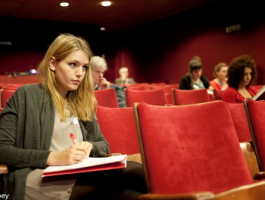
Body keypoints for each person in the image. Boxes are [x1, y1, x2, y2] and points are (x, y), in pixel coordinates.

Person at [0, 34, 146, 200]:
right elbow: (3, 149)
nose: (80, 73)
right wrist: (53, 157)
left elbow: (102, 145)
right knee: (134, 179)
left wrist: (88, 147)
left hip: (80, 173)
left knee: (135, 185)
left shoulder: (81, 101)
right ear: (53, 63)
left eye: (84, 67)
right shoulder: (25, 96)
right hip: (40, 177)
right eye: (73, 65)